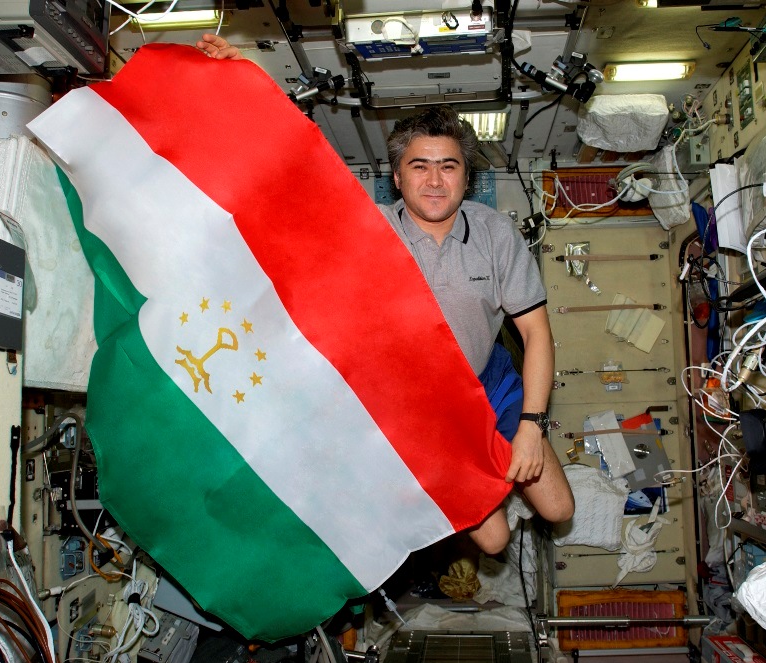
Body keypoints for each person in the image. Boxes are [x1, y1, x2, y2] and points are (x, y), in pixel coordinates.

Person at [196, 35, 574, 555]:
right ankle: (463, 477)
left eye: (449, 166)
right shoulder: (369, 230)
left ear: (467, 178)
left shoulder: (496, 234)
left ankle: (494, 459)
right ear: (397, 178)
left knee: (559, 509)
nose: (435, 180)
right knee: (493, 542)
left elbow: (536, 333)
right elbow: (292, 176)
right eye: (420, 166)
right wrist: (248, 81)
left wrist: (530, 426)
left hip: (488, 382)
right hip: (421, 404)